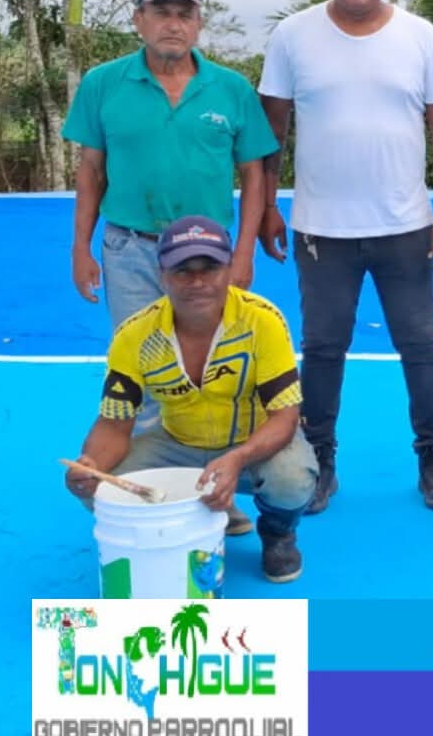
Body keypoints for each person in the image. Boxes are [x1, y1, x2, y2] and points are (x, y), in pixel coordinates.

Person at [256, 0, 433, 513]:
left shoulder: (421, 37)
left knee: (421, 346)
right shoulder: (292, 37)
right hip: (321, 229)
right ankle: (319, 461)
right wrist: (268, 205)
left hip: (406, 227)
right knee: (323, 349)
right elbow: (272, 129)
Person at [62, 0, 278, 535]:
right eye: (161, 12)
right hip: (131, 249)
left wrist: (244, 253)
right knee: (151, 371)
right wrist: (81, 247)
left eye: (184, 13)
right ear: (139, 20)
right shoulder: (103, 84)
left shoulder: (230, 89)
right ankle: (161, 506)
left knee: (214, 370)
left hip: (207, 258)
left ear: (199, 23)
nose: (173, 24)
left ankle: (216, 493)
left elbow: (254, 175)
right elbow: (91, 171)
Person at [64, 216, 318, 584]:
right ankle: (205, 514)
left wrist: (238, 458)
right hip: (177, 444)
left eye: (209, 268)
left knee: (292, 480)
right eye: (182, 270)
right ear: (162, 275)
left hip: (251, 442)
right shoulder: (134, 336)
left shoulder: (263, 322)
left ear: (229, 269)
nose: (197, 281)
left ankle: (278, 533)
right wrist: (90, 465)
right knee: (102, 490)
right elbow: (114, 425)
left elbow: (284, 417)